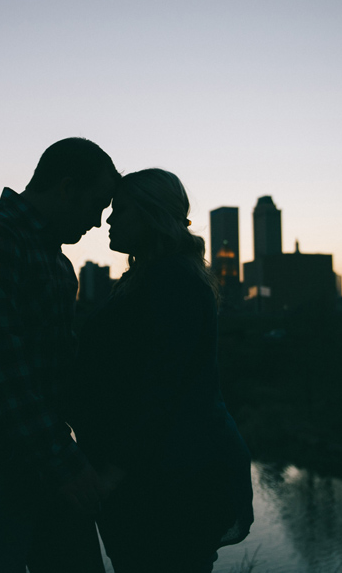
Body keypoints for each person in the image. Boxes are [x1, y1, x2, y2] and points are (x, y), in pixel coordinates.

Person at [0, 138, 118, 573]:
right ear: (67, 187)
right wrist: (68, 466)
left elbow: (59, 366)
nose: (97, 221)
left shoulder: (56, 260)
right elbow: (3, 369)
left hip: (38, 447)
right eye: (96, 204)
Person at [66, 168, 254, 573]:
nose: (110, 220)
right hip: (155, 477)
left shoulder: (173, 283)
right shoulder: (148, 279)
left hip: (171, 484)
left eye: (122, 210)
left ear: (151, 215)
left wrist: (113, 472)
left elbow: (162, 388)